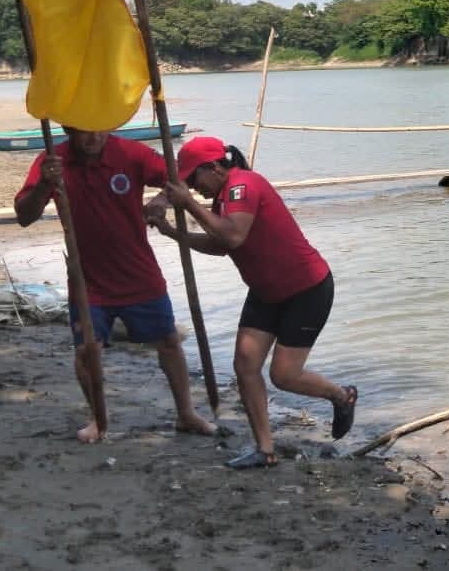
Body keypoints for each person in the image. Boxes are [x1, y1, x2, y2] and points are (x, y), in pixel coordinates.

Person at [146, 136, 356, 469]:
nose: (193, 187)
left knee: (284, 375)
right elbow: (221, 246)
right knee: (245, 366)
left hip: (306, 289)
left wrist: (188, 205)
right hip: (265, 291)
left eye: (194, 178)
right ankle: (264, 449)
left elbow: (232, 235)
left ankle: (341, 396)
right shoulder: (220, 200)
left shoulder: (243, 185)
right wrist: (173, 233)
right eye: (187, 182)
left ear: (214, 167)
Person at [15, 127, 218, 444]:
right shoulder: (54, 160)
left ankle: (186, 414)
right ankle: (98, 420)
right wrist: (44, 184)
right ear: (70, 129)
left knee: (168, 341)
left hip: (138, 271)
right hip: (88, 279)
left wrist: (162, 200)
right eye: (84, 133)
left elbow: (179, 178)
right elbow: (24, 216)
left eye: (100, 131)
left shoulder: (130, 153)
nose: (94, 138)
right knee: (87, 350)